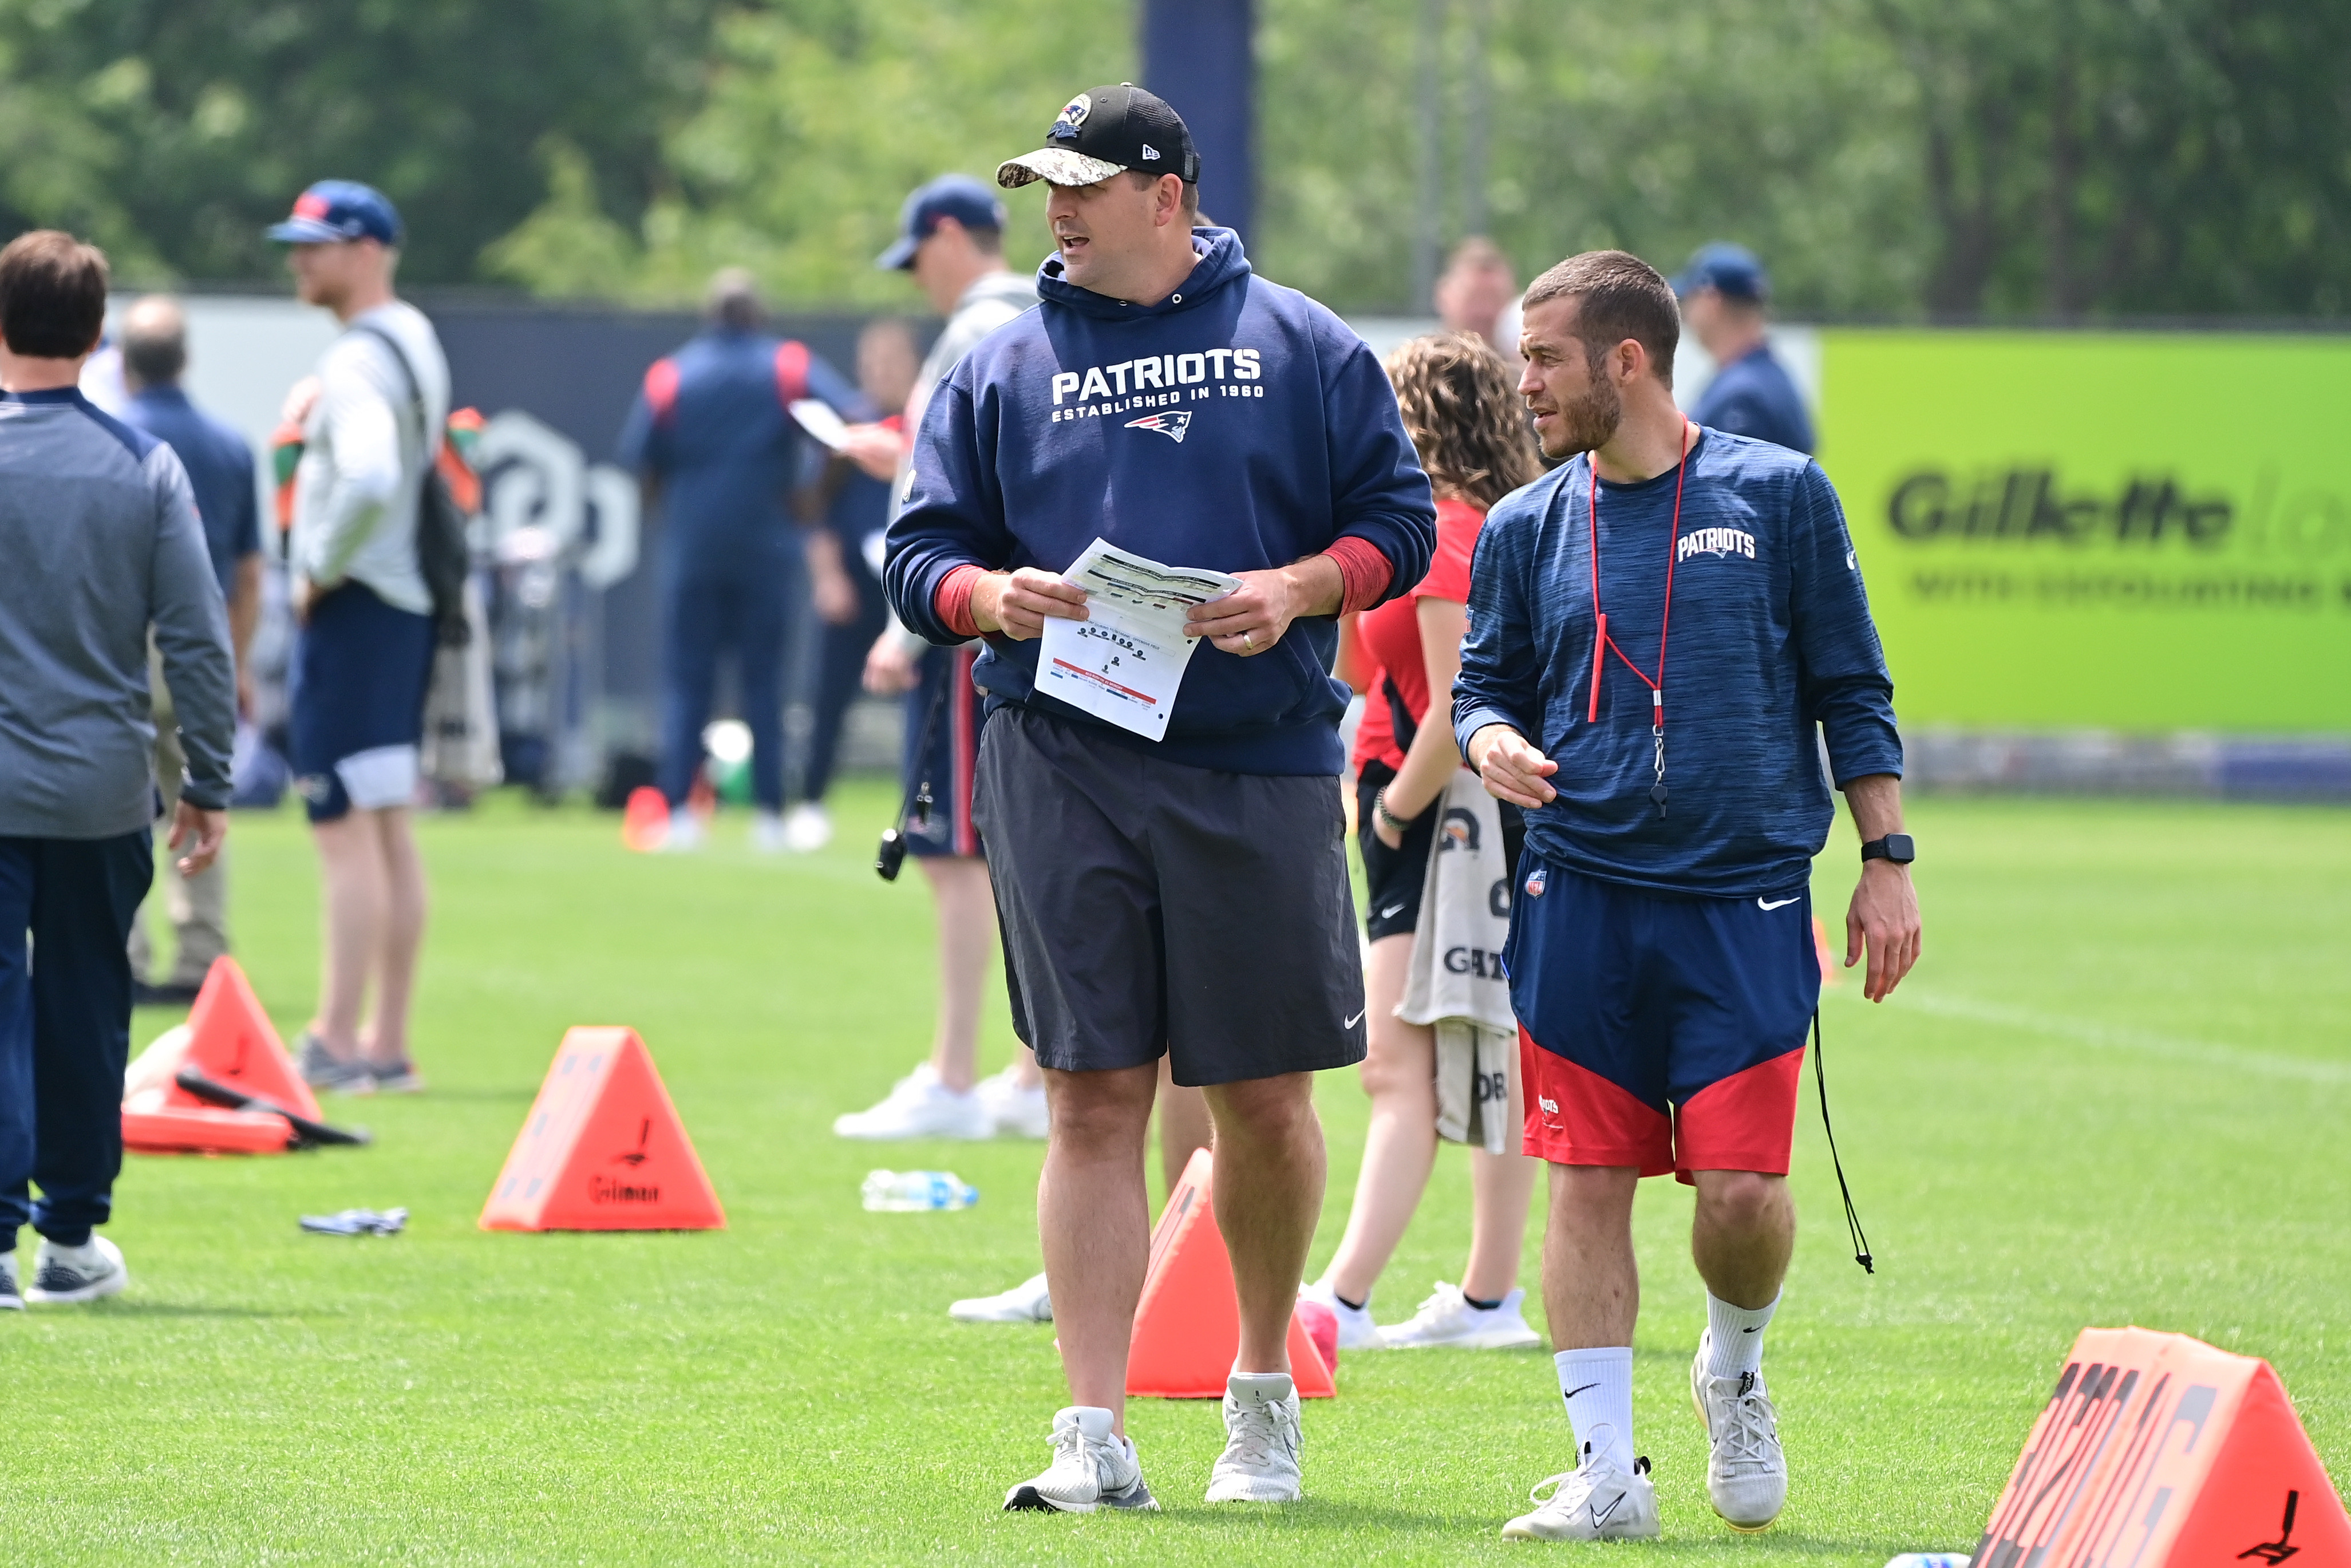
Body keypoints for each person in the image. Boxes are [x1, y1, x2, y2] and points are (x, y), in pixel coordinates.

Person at [887, 84, 1436, 1511]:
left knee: (1258, 1099)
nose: (1055, 209)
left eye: (1083, 183)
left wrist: (1301, 587)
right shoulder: (997, 363)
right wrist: (985, 595)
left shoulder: (1300, 343)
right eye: (1043, 186)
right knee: (1087, 1096)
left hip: (1250, 760)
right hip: (1057, 756)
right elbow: (920, 548)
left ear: (1167, 195)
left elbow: (1401, 523)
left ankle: (1259, 1392)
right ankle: (1092, 1428)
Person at [1452, 250, 1920, 1540]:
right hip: (1578, 895)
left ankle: (1734, 1364)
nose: (1522, 381)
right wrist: (1487, 737)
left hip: (1746, 902)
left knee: (1742, 1195)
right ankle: (1607, 1474)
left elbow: (1852, 688)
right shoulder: (1521, 524)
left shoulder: (1779, 495)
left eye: (1542, 358)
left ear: (1626, 359)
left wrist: (1885, 861)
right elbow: (1480, 681)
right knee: (1584, 1180)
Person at [0, 230, 234, 1307]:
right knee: (89, 1002)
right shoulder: (144, 466)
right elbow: (196, 640)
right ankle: (71, 1235)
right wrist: (210, 779)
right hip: (99, 788)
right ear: (100, 337)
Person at [1300, 331, 1546, 1353]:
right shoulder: (1463, 524)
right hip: (1439, 801)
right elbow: (1374, 671)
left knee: (1398, 1058)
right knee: (1486, 1045)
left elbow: (1457, 704)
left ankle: (1345, 1296)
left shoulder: (1450, 529)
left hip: (1441, 809)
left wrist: (1395, 806)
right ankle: (1489, 1295)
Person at [835, 174, 1052, 1146]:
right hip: (999, 609)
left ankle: (967, 1072)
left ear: (952, 236)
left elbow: (946, 480)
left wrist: (902, 624)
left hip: (966, 615)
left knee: (961, 851)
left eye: (920, 253)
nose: (919, 276)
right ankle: (1019, 1067)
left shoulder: (980, 323)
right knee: (994, 845)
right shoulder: (1040, 311)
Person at [268, 180, 450, 1096]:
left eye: (318, 243)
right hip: (400, 604)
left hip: (359, 607)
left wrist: (317, 566)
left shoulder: (354, 360)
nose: (300, 259)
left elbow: (373, 472)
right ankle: (385, 1039)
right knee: (384, 828)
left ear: (368, 249)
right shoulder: (410, 333)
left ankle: (338, 1036)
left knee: (343, 828)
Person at [617, 269, 870, 854]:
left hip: (693, 549)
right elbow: (848, 427)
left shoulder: (672, 374)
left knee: (687, 680)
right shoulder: (786, 366)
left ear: (710, 315)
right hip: (767, 545)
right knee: (764, 681)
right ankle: (770, 817)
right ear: (758, 315)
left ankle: (681, 813)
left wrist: (671, 521)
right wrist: (815, 497)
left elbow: (646, 464)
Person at [116, 296, 263, 1006]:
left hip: (126, 638)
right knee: (199, 795)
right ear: (186, 358)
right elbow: (250, 569)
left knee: (123, 798)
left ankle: (129, 949)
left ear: (124, 361)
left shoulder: (116, 438)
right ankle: (202, 953)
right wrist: (235, 660)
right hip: (203, 636)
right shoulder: (231, 446)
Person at [788, 317, 920, 854]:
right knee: (828, 700)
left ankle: (921, 808)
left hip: (910, 589)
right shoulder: (847, 427)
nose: (882, 373)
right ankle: (811, 802)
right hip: (854, 589)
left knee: (924, 699)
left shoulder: (927, 419)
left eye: (893, 362)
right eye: (874, 363)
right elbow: (815, 511)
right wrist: (828, 578)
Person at [1673, 243, 1814, 455]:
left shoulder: (1741, 395)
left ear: (1712, 302)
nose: (1684, 310)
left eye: (1689, 299)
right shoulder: (1770, 377)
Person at [1435, 236, 1522, 370]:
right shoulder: (1415, 376)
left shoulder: (1528, 379)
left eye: (1494, 299)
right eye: (1474, 299)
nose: (1485, 312)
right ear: (1445, 297)